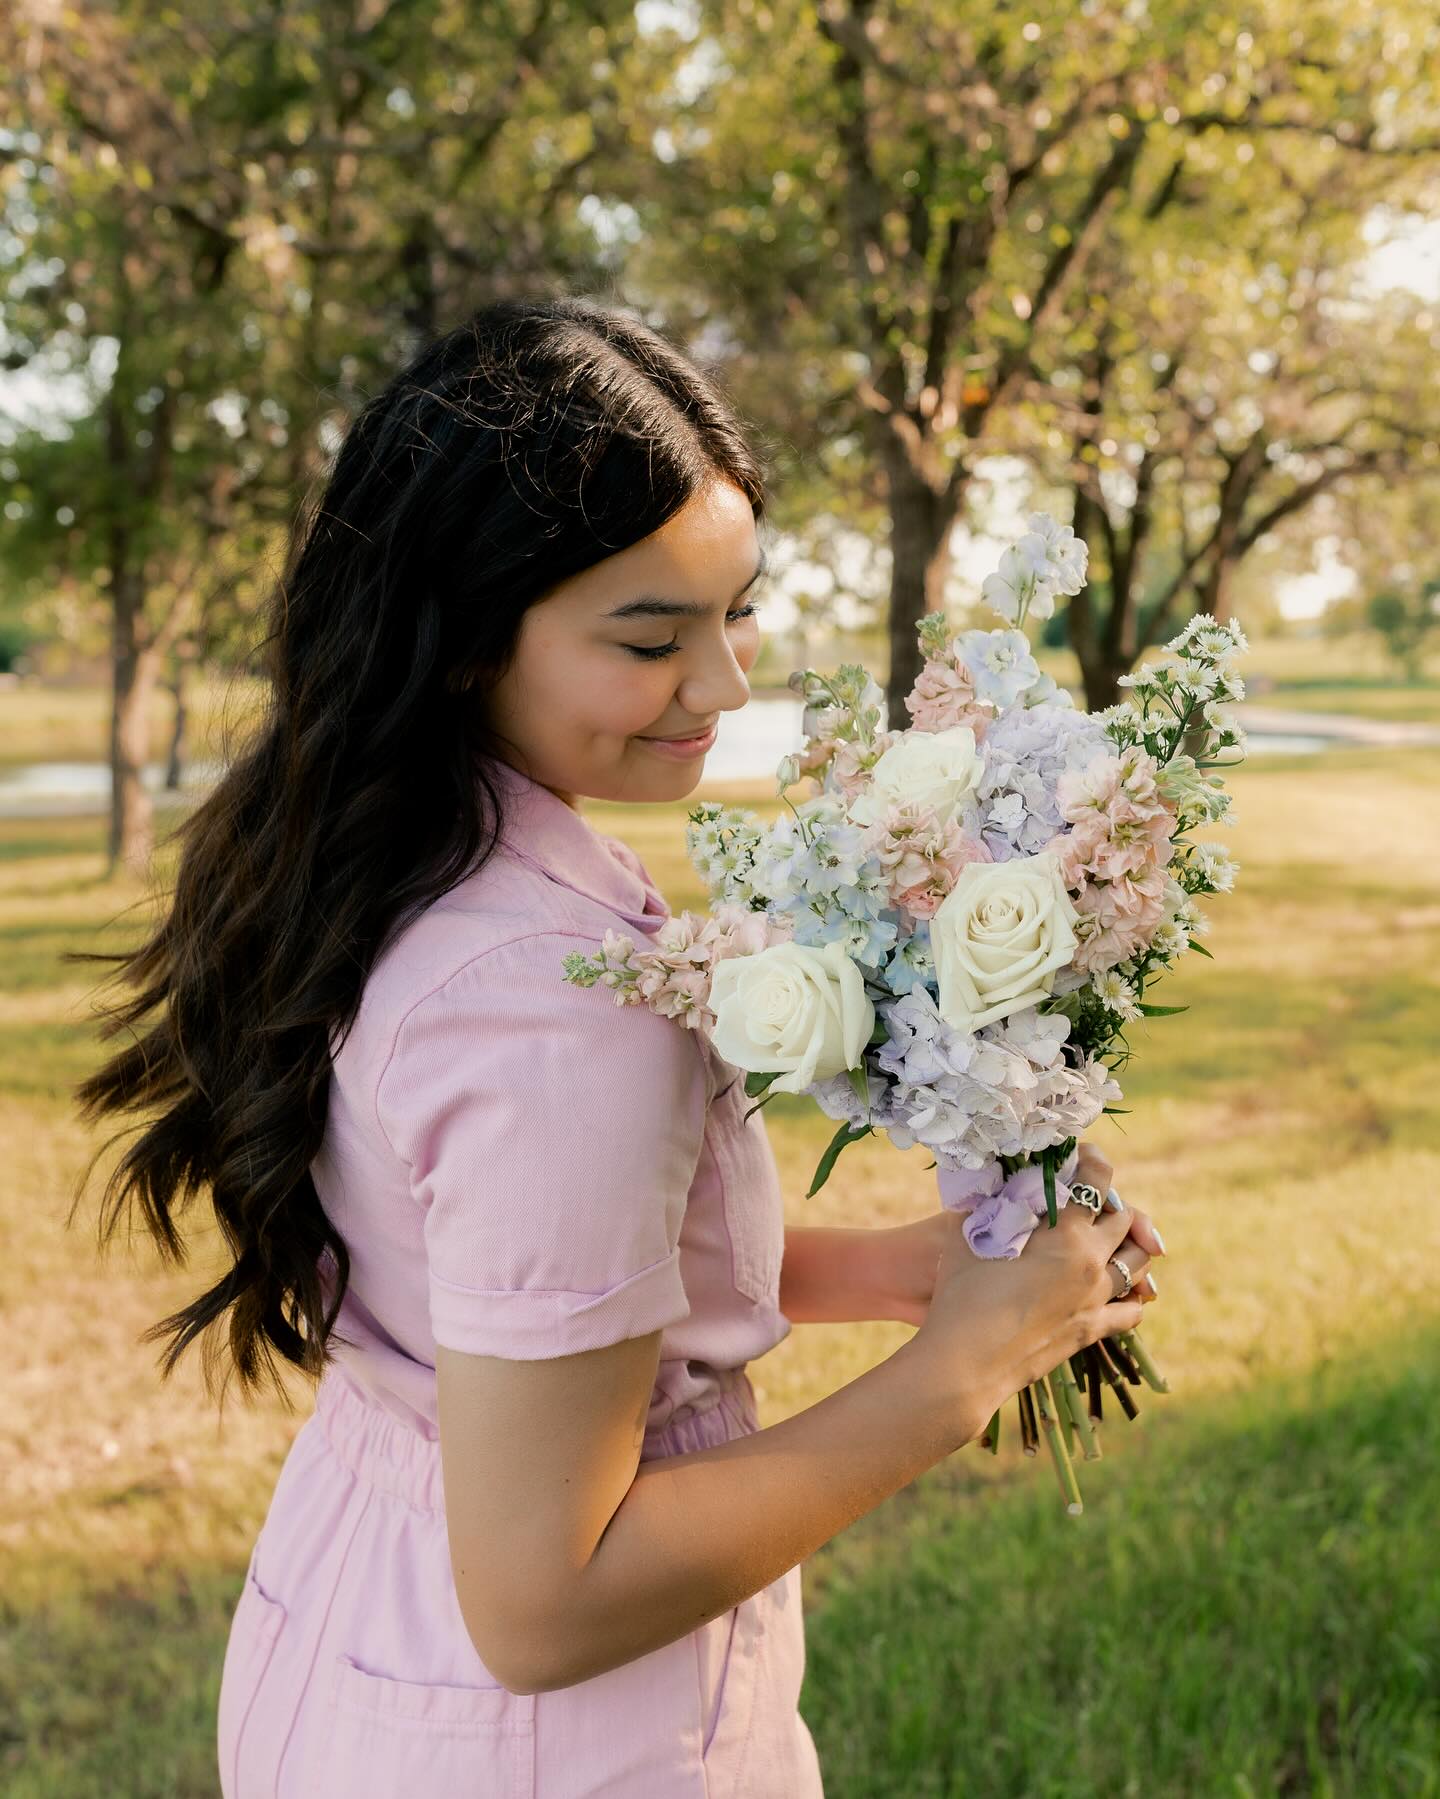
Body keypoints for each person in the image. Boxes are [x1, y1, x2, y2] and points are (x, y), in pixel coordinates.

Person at [74, 294, 1164, 1798]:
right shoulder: (556, 1005)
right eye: (650, 637)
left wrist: (914, 1269)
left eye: (737, 614)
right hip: (541, 1742)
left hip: (352, 1632)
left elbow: (532, 1294)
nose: (722, 687)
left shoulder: (383, 856)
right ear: (461, 638)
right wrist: (962, 1372)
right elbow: (544, 1603)